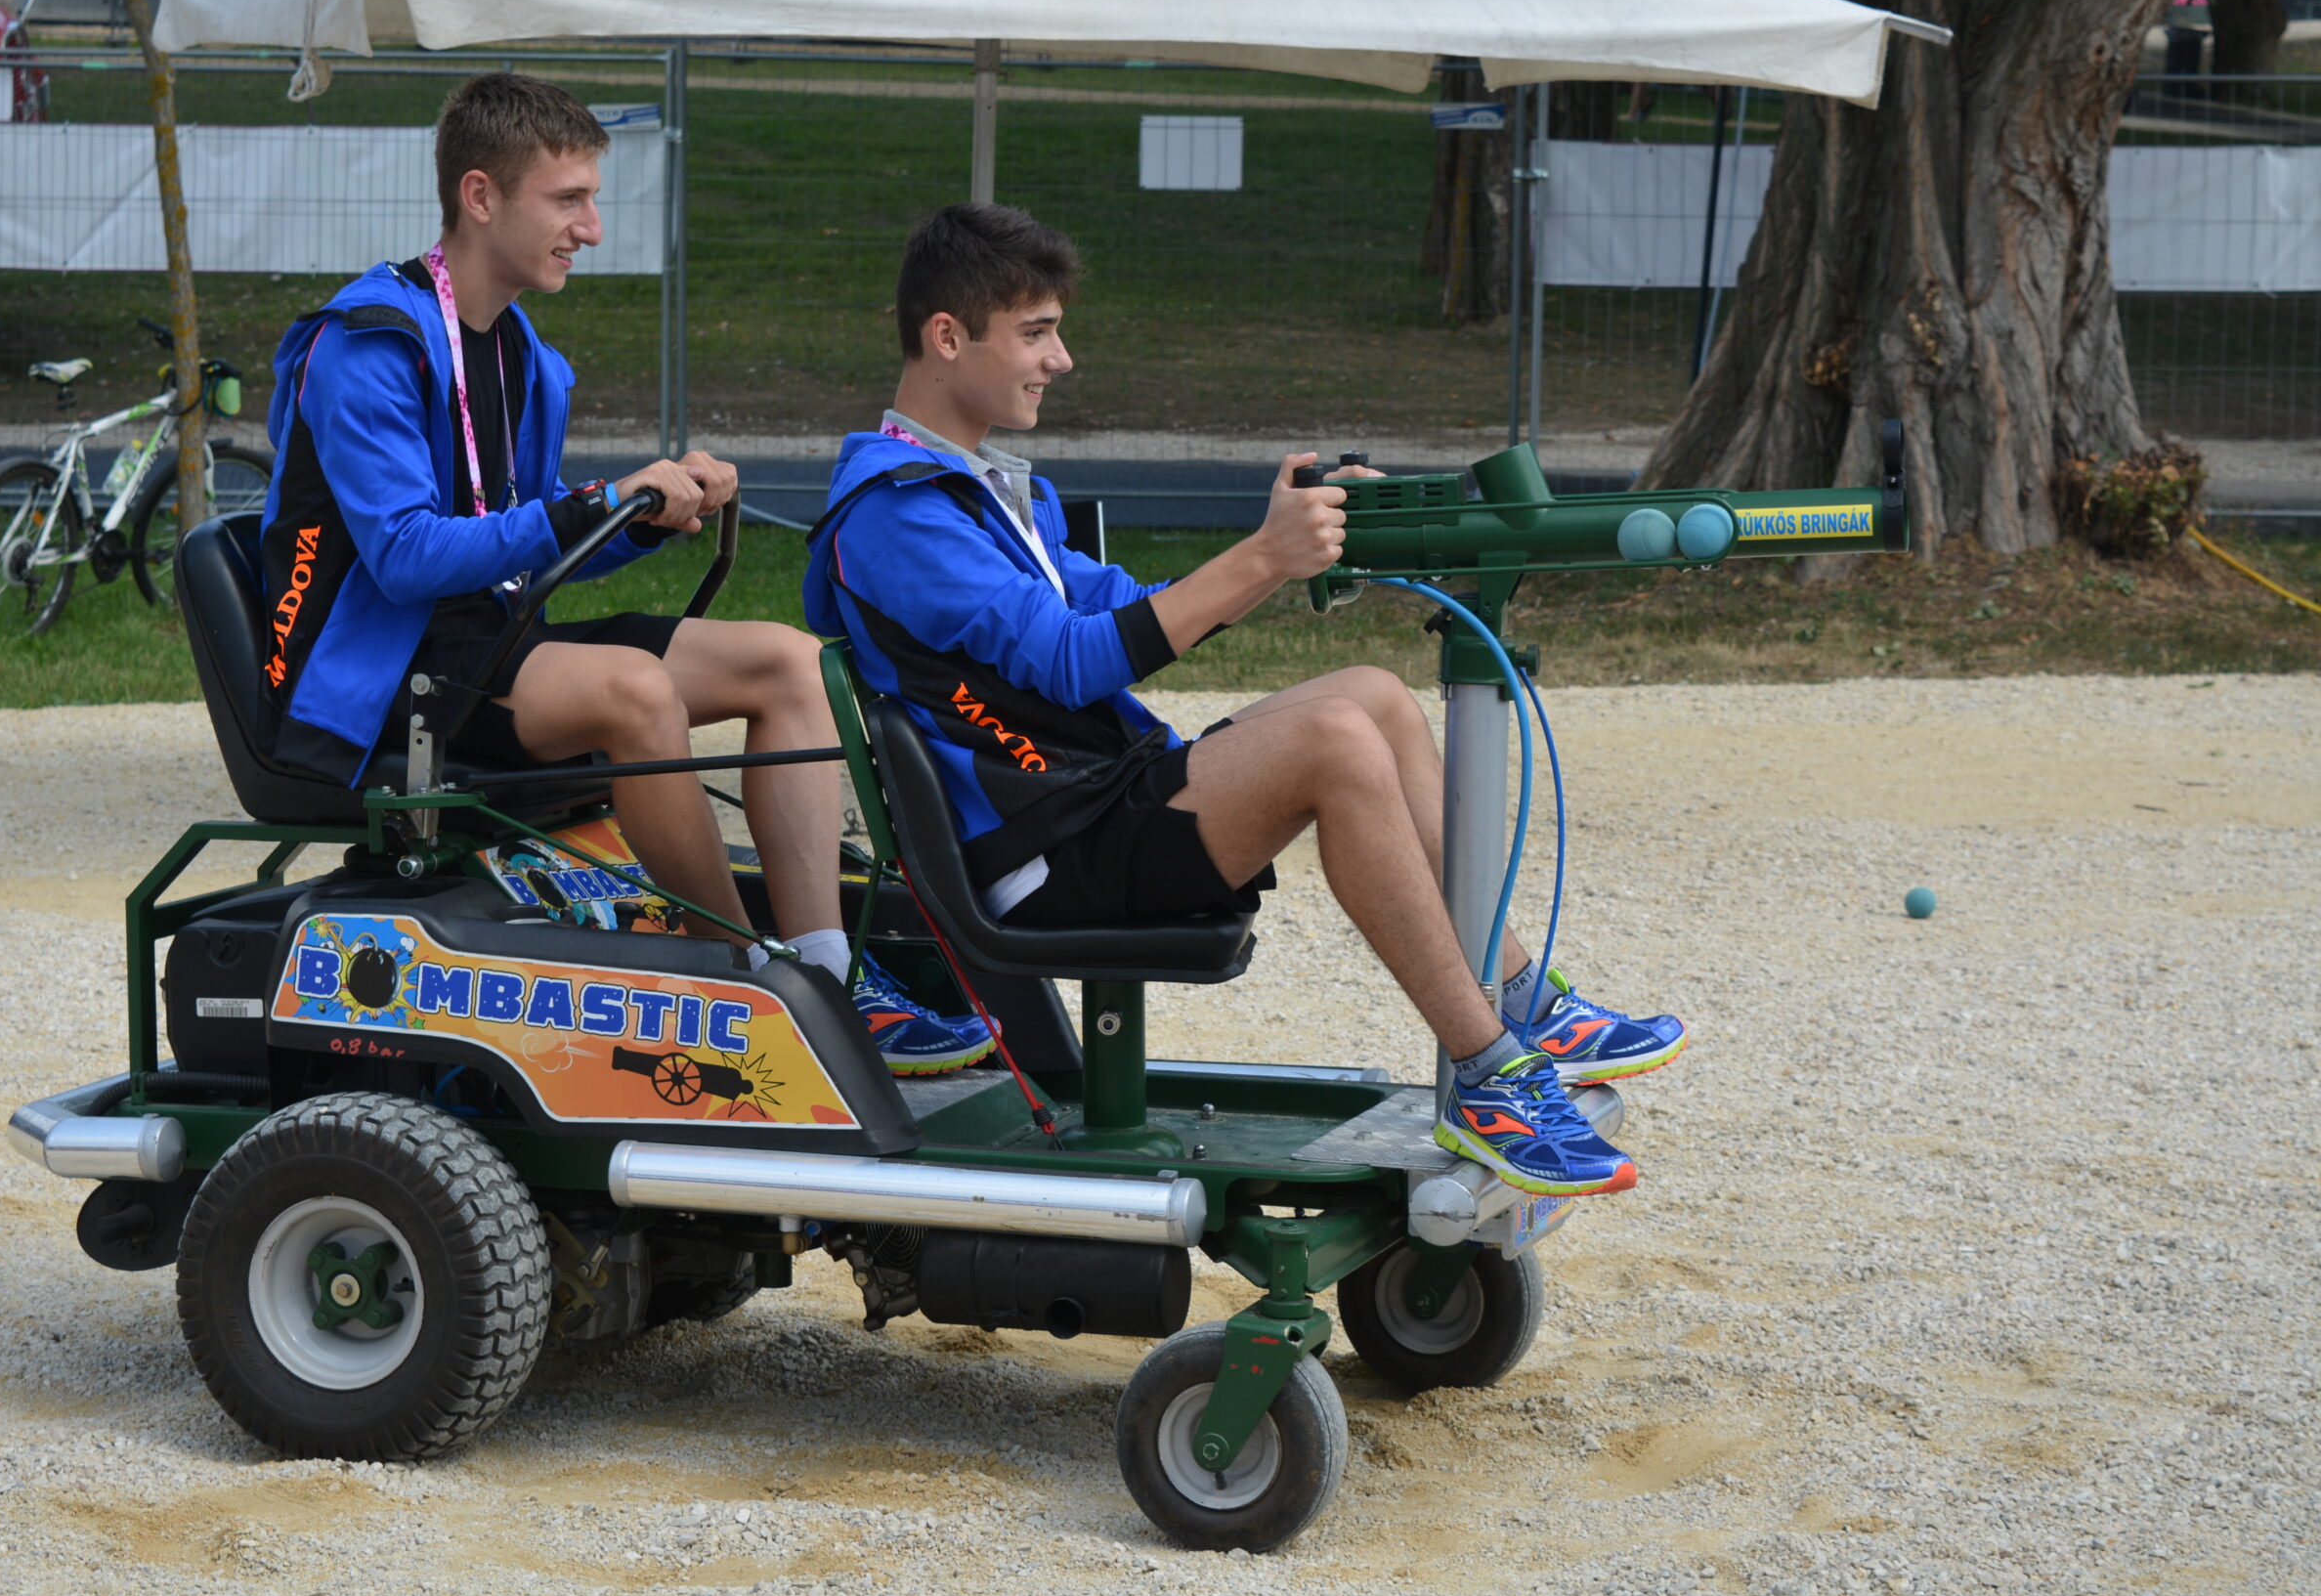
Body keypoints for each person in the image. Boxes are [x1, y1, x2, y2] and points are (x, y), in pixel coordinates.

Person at [802, 203, 1688, 1195]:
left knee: (1374, 695)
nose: (1061, 359)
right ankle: (1489, 1074)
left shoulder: (977, 489)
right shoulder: (900, 513)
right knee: (1334, 739)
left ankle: (1519, 994)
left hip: (1089, 807)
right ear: (947, 336)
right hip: (1044, 855)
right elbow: (1071, 661)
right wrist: (1266, 556)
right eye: (1036, 333)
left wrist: (1285, 541)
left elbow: (1122, 604)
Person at [253, 73, 990, 1075]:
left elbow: (521, 539)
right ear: (481, 196)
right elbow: (406, 554)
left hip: (483, 642)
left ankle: (829, 972)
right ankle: (750, 983)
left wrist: (647, 518)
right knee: (636, 690)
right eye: (568, 200)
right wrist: (591, 504)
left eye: (592, 200)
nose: (591, 229)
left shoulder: (517, 349)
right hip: (378, 677)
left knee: (790, 662)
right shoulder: (369, 343)